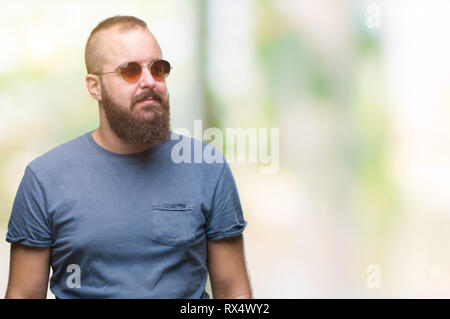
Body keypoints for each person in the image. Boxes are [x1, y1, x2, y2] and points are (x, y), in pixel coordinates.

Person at [4, 15, 252, 299]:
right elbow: (23, 294)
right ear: (94, 86)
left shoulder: (207, 167)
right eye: (130, 71)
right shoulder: (44, 179)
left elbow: (234, 291)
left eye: (158, 69)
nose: (150, 81)